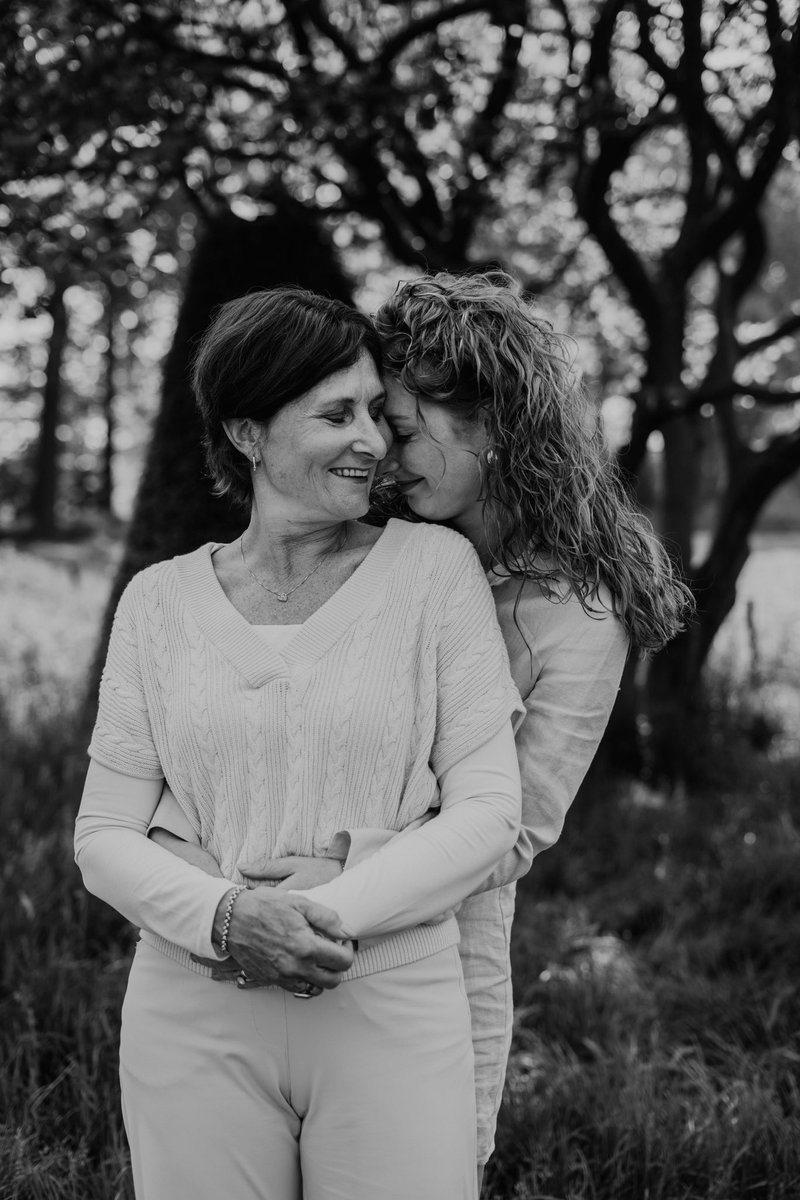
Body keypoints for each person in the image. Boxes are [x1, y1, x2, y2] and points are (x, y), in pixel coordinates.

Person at [152, 271, 693, 1188]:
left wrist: (345, 874)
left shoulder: (576, 609)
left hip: (434, 947)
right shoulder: (371, 544)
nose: (379, 453)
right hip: (249, 929)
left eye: (402, 430)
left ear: (495, 425)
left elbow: (515, 825)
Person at [74, 286, 524, 1200]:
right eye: (336, 413)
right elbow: (102, 836)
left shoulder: (435, 575)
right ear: (247, 432)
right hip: (192, 1008)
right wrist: (230, 923)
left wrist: (327, 920)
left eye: (374, 411)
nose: (374, 439)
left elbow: (488, 811)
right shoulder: (158, 603)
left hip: (390, 999)